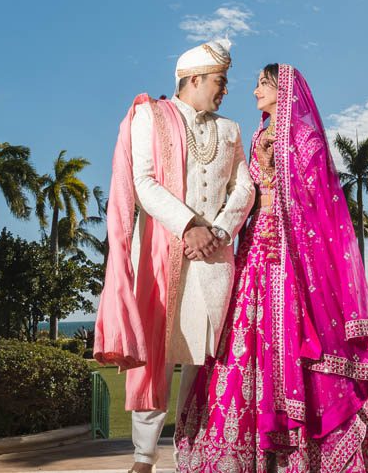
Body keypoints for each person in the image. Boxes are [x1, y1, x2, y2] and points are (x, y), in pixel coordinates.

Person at [175, 64, 368, 472]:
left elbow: (318, 203)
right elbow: (246, 191)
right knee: (242, 344)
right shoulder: (259, 136)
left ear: (283, 88)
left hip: (292, 254)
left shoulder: (306, 139)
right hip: (253, 252)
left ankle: (311, 454)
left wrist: (284, 204)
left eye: (262, 84)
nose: (255, 91)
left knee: (296, 343)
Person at [94, 39, 256, 473]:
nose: (225, 90)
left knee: (204, 364)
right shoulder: (150, 116)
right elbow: (144, 183)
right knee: (159, 357)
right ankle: (144, 458)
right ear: (195, 79)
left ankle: (194, 451)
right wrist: (190, 225)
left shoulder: (231, 130)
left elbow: (245, 187)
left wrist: (218, 230)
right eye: (220, 81)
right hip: (165, 254)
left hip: (216, 260)